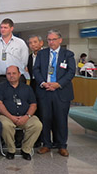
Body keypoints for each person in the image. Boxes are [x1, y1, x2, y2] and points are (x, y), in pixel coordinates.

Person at [33, 29, 75, 157]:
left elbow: (71, 72)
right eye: (49, 40)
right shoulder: (42, 54)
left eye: (54, 39)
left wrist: (58, 84)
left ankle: (62, 145)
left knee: (61, 119)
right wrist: (43, 83)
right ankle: (46, 144)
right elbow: (36, 70)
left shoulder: (68, 54)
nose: (51, 42)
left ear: (60, 40)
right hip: (45, 91)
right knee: (45, 118)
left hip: (61, 91)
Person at [0, 66, 42, 160]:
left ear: (19, 74)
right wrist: (11, 117)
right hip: (6, 116)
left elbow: (33, 105)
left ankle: (26, 150)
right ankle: (11, 150)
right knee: (5, 125)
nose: (11, 76)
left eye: (14, 73)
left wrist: (27, 116)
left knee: (37, 125)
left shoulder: (27, 88)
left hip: (25, 116)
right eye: (8, 74)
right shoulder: (0, 87)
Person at [0, 18, 29, 85]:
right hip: (0, 78)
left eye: (5, 27)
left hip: (17, 78)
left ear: (11, 28)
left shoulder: (20, 43)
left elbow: (24, 61)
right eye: (1, 27)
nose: (2, 29)